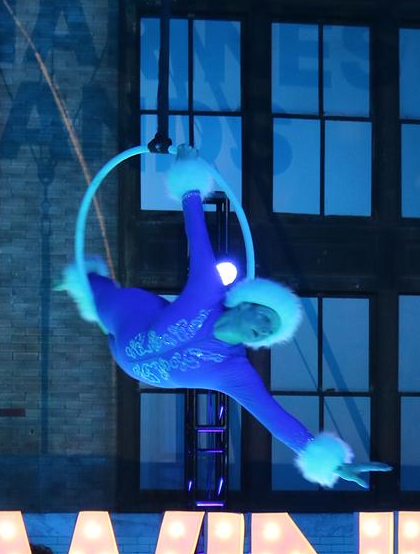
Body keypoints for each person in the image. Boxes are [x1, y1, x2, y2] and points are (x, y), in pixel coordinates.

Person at [57, 146, 388, 488]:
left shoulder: (234, 372)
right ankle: (82, 280)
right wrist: (188, 179)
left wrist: (333, 464)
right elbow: (196, 234)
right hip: (131, 318)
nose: (263, 331)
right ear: (245, 303)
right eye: (265, 318)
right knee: (93, 289)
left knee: (101, 301)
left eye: (269, 332)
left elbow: (275, 418)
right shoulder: (209, 288)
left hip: (132, 362)